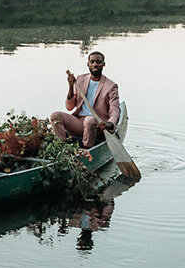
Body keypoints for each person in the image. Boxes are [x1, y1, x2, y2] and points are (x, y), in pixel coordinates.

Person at [50, 50, 142, 183]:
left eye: (98, 62)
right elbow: (70, 107)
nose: (95, 64)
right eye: (92, 61)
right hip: (78, 122)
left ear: (103, 64)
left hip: (97, 126)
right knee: (55, 116)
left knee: (90, 120)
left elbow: (115, 110)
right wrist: (70, 86)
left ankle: (87, 152)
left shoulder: (111, 86)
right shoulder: (80, 80)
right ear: (88, 64)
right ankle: (63, 151)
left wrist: (110, 124)